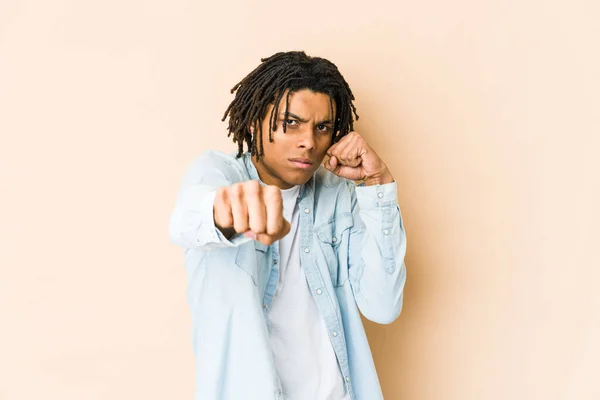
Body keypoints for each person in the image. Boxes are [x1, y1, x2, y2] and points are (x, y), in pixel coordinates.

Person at [168, 51, 407, 400]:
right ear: (254, 122)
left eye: (322, 127)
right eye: (290, 123)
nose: (308, 141)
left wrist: (377, 183)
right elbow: (186, 220)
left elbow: (383, 307)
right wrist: (230, 213)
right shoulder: (220, 174)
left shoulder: (337, 193)